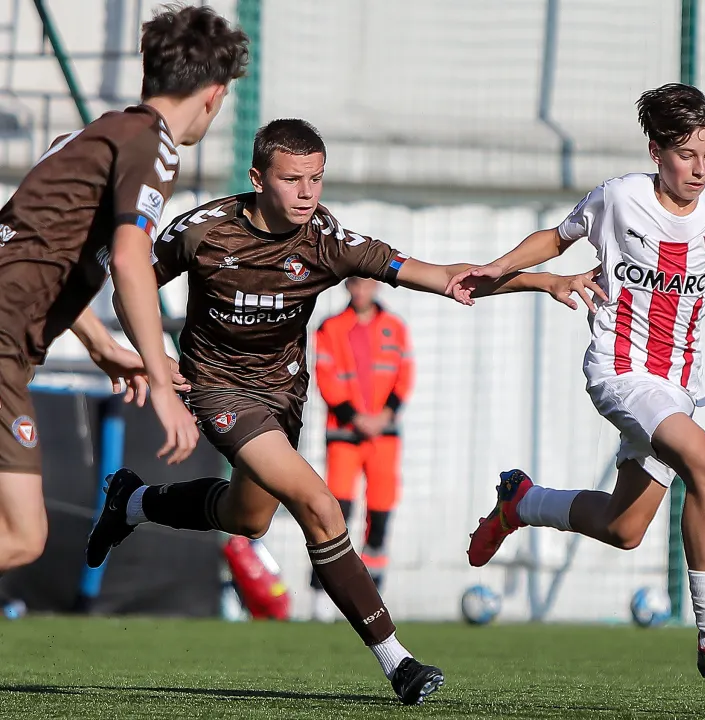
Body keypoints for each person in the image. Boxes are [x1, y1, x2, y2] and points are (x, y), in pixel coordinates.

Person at [84, 118, 596, 705]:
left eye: (317, 179)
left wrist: (544, 280)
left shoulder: (330, 241)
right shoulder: (204, 233)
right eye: (292, 179)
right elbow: (132, 283)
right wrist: (143, 359)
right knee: (321, 506)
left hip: (284, 396)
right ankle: (397, 661)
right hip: (220, 392)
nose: (307, 192)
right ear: (257, 179)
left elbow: (449, 279)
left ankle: (132, 501)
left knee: (248, 518)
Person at [449, 83, 705, 695]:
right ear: (656, 151)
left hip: (680, 390)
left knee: (625, 528)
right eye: (688, 154)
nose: (700, 169)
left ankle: (522, 503)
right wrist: (501, 266)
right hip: (620, 371)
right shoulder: (618, 198)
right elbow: (558, 238)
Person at [0, 5, 247, 572]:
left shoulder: (87, 137)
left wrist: (100, 343)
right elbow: (131, 258)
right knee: (20, 535)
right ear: (213, 94)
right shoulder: (152, 145)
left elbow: (24, 250)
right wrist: (161, 384)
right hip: (5, 346)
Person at [308, 277, 412, 619]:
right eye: (356, 284)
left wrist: (384, 415)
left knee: (380, 512)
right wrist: (356, 418)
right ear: (348, 287)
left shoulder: (395, 327)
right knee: (335, 512)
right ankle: (321, 594)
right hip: (345, 435)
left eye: (368, 284)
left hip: (384, 435)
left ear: (376, 288)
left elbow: (404, 374)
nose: (362, 291)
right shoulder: (331, 327)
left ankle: (371, 594)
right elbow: (326, 377)